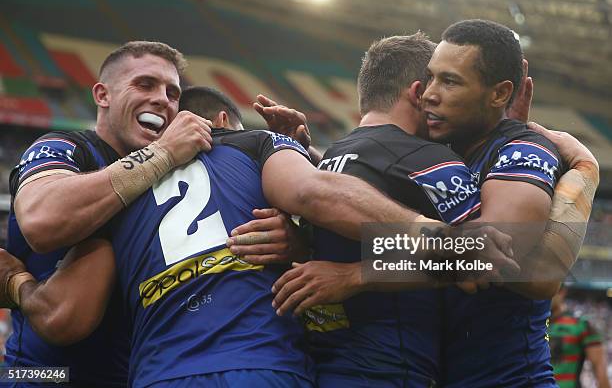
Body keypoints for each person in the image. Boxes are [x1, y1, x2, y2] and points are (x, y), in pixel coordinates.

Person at [0, 86, 517, 387]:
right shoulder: (253, 147)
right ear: (222, 119)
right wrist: (443, 241)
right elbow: (319, 195)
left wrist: (20, 280)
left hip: (151, 375)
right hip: (265, 367)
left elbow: (67, 316)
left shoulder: (115, 193)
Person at [255, 20, 599, 387]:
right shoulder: (448, 153)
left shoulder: (521, 150)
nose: (429, 94)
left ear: (499, 94)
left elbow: (484, 253)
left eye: (449, 82)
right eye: (431, 78)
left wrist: (355, 274)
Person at [3, 40, 214, 387]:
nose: (163, 99)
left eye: (173, 93)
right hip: (41, 378)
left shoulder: (177, 178)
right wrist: (162, 153)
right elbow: (44, 221)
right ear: (103, 95)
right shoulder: (64, 147)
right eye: (145, 84)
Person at [549, 285, 611, 388]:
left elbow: (601, 374)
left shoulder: (582, 326)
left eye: (550, 291)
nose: (545, 297)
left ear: (562, 292)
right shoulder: (531, 325)